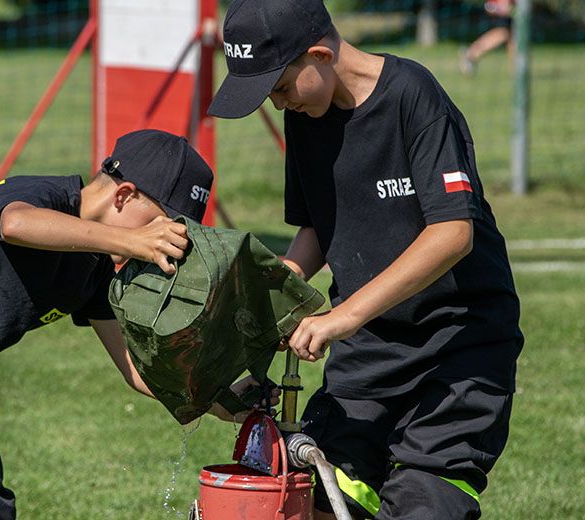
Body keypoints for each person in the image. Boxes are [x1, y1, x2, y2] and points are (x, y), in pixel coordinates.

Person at [0, 129, 268, 519]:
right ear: (123, 196)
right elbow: (14, 224)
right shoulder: (42, 196)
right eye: (160, 227)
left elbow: (136, 370)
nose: (160, 245)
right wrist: (132, 241)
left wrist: (215, 397)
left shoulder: (96, 268)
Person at [209, 1, 523, 519]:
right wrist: (277, 292)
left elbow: (453, 232)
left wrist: (343, 316)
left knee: (422, 504)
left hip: (458, 349)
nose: (280, 104)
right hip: (368, 357)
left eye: (280, 88)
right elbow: (317, 226)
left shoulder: (413, 96)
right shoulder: (306, 118)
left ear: (319, 55)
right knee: (310, 498)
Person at [459, 0, 515, 76]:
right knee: (504, 33)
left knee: (510, 37)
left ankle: (517, 71)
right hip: (497, 7)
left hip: (500, 6)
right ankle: (471, 54)